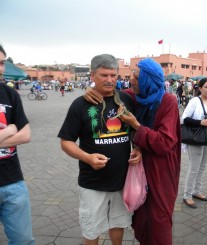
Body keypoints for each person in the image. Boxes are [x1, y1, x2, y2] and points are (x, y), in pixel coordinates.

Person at [84, 58, 181, 245]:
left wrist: (136, 125)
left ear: (147, 80)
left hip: (161, 173)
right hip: (140, 169)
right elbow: (111, 93)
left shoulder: (167, 101)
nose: (132, 80)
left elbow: (165, 142)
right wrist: (92, 91)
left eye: (136, 76)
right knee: (142, 218)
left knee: (159, 219)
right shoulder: (136, 98)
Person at [58, 54, 142, 245]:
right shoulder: (80, 104)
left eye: (113, 75)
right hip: (92, 183)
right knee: (91, 229)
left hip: (122, 181)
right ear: (93, 74)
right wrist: (87, 158)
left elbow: (135, 131)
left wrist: (138, 148)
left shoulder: (127, 100)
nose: (110, 80)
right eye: (104, 75)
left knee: (118, 224)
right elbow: (66, 142)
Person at [0, 44, 34, 244]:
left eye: (2, 63)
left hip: (14, 182)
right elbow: (17, 131)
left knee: (24, 241)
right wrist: (11, 129)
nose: (0, 68)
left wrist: (17, 131)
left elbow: (26, 135)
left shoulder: (10, 94)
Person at [181, 77, 207, 208]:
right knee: (194, 168)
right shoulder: (194, 101)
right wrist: (199, 122)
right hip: (195, 139)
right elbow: (184, 119)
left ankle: (196, 191)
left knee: (202, 167)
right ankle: (187, 195)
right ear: (200, 88)